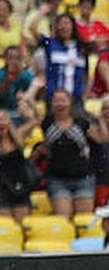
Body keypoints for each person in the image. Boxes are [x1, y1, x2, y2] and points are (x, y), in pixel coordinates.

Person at [42, 89, 103, 217]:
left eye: (63, 100)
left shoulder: (82, 123)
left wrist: (99, 119)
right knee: (63, 220)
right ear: (51, 104)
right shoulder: (46, 124)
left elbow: (101, 138)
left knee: (84, 221)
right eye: (56, 101)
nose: (60, 104)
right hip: (58, 180)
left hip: (83, 178)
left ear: (71, 103)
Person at [31, 11, 89, 104]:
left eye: (66, 23)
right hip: (54, 99)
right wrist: (42, 12)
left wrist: (85, 95)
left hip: (76, 99)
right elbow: (33, 28)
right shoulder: (50, 44)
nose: (63, 27)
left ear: (73, 26)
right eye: (60, 24)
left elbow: (85, 75)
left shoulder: (81, 48)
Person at [0, 46, 35, 123]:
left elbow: (36, 94)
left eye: (17, 58)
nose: (14, 61)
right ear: (4, 59)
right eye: (10, 58)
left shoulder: (27, 75)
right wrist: (9, 79)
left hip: (21, 113)